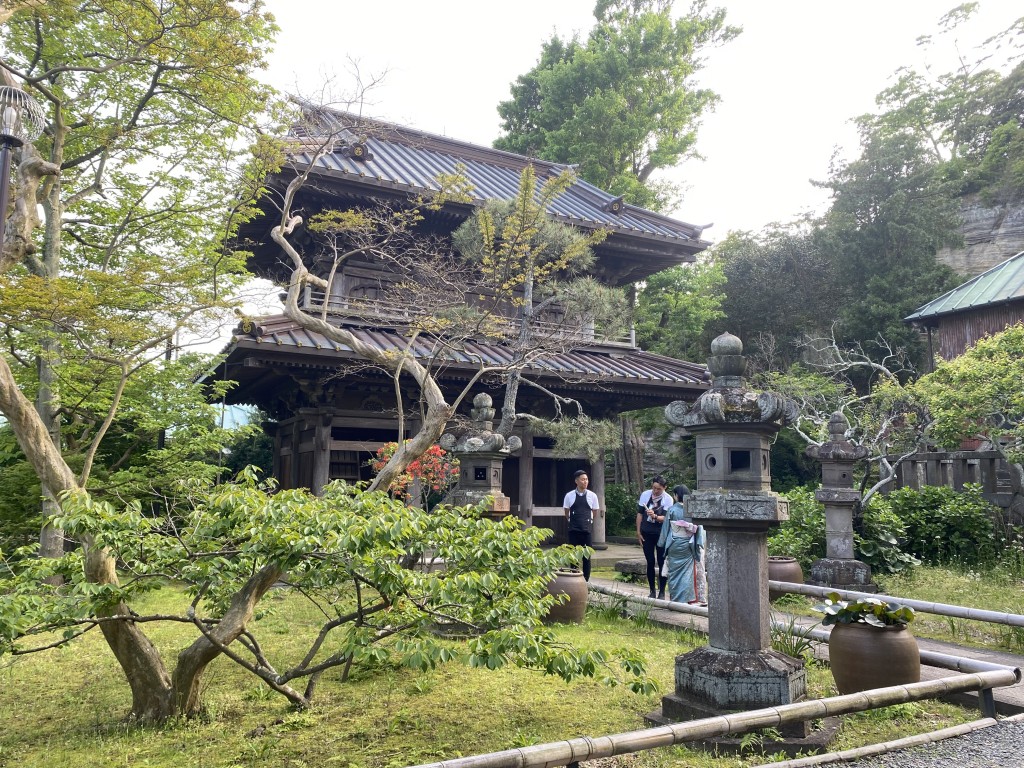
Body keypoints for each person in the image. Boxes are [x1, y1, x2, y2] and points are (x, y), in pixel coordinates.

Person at [657, 485, 702, 605]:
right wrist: (699, 543)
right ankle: (685, 599)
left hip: (674, 543)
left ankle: (675, 599)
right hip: (688, 544)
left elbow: (666, 528)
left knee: (673, 572)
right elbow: (699, 527)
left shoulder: (672, 510)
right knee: (687, 573)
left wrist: (661, 543)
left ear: (676, 495)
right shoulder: (693, 509)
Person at [636, 475, 672, 599]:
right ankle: (652, 590)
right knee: (650, 561)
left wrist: (655, 516)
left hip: (661, 534)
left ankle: (662, 591)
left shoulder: (668, 499)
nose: (655, 491)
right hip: (646, 532)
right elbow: (640, 514)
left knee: (661, 562)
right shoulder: (645, 495)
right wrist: (638, 532)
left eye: (658, 489)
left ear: (664, 488)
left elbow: (666, 518)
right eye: (654, 488)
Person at [562, 469, 600, 581]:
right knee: (573, 556)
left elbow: (594, 512)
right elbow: (566, 511)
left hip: (586, 530)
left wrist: (588, 521)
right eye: (583, 479)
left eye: (586, 479)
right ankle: (573, 578)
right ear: (576, 481)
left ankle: (586, 580)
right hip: (573, 529)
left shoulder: (592, 495)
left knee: (586, 556)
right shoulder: (569, 495)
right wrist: (572, 520)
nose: (585, 481)